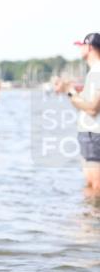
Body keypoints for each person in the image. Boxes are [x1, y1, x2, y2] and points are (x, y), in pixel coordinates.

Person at [54, 32, 100, 194]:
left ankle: (90, 217)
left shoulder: (97, 71)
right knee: (90, 186)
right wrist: (69, 91)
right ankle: (87, 216)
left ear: (89, 47)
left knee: (95, 187)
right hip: (90, 134)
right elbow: (87, 106)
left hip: (94, 135)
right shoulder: (94, 72)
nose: (79, 49)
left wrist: (70, 92)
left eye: (81, 45)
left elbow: (92, 109)